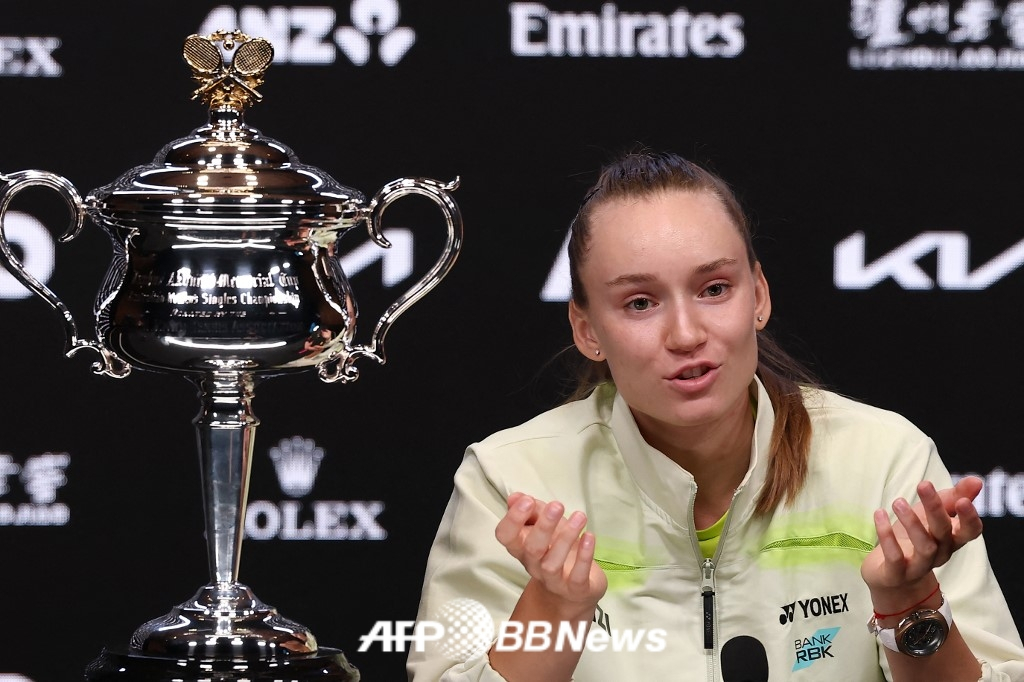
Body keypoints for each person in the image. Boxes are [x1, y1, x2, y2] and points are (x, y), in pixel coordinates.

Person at [407, 149, 1024, 681]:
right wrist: (556, 608)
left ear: (759, 296)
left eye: (713, 289)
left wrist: (908, 599)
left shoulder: (886, 460)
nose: (685, 333)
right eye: (640, 302)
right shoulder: (511, 479)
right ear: (587, 329)